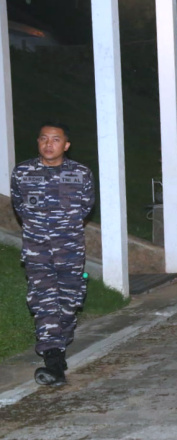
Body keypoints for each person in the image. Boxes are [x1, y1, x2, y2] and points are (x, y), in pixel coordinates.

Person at [10, 122, 95, 387]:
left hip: (70, 251)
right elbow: (19, 206)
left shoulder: (81, 173)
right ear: (38, 142)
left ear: (66, 145)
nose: (49, 144)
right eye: (44, 139)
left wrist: (63, 230)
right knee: (44, 300)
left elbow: (86, 207)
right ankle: (53, 359)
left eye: (56, 139)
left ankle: (60, 343)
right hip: (37, 250)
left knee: (69, 302)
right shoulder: (22, 172)